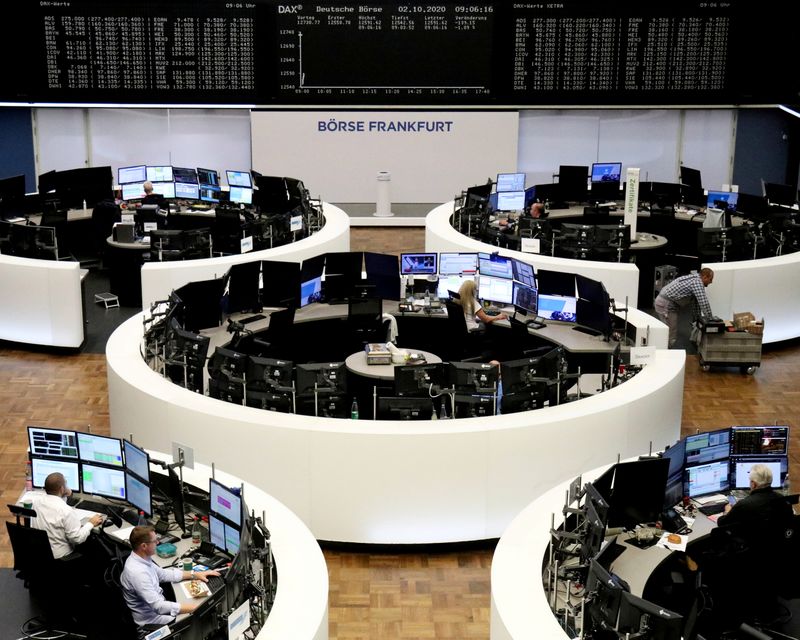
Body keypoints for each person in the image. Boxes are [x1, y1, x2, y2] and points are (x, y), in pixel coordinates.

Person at [121, 525, 220, 629]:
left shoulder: (141, 558)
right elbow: (159, 607)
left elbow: (163, 574)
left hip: (158, 609)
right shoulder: (138, 574)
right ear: (144, 546)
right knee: (201, 617)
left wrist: (195, 575)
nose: (158, 543)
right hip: (154, 622)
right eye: (154, 541)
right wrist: (196, 608)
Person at [27, 472, 104, 559]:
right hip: (62, 558)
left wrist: (66, 493)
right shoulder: (66, 510)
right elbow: (77, 539)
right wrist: (90, 523)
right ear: (62, 488)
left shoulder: (36, 502)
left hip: (41, 554)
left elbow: (56, 502)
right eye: (66, 484)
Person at [717, 463, 792, 530]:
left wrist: (727, 512)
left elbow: (722, 524)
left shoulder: (744, 504)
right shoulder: (783, 500)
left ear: (753, 484)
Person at [653, 268, 714, 348]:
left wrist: (697, 320)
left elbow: (696, 303)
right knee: (670, 334)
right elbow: (704, 303)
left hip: (665, 303)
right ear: (705, 277)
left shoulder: (694, 278)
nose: (711, 282)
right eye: (710, 279)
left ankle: (663, 348)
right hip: (666, 305)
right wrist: (711, 320)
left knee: (667, 331)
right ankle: (664, 352)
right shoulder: (697, 282)